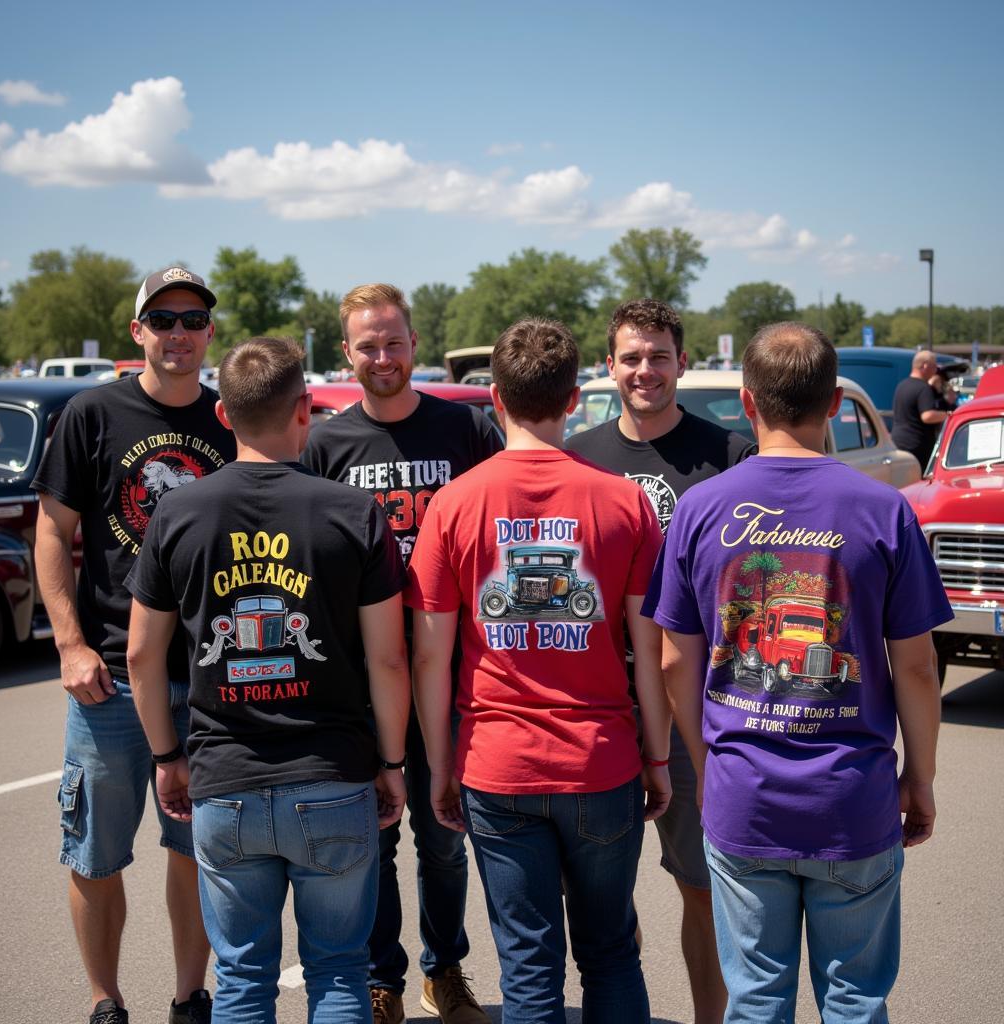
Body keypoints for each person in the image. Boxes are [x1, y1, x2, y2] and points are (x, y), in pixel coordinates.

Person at [651, 321, 951, 1023]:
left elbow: (673, 657)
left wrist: (706, 755)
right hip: (854, 797)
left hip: (742, 796)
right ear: (834, 404)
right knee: (855, 999)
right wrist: (921, 777)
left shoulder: (698, 510)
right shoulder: (883, 508)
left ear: (749, 403)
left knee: (756, 999)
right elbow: (916, 667)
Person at [125, 337, 411, 1024]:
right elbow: (389, 659)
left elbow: (140, 654)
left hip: (225, 782)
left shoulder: (178, 513)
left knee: (245, 979)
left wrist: (167, 757)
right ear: (305, 412)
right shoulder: (352, 513)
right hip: (334, 775)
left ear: (223, 416)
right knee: (340, 973)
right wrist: (394, 761)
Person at [407, 317, 672, 1024]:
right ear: (572, 397)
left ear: (494, 397)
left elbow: (430, 652)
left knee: (528, 962)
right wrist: (658, 755)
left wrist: (439, 766)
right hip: (603, 760)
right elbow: (648, 648)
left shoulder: (454, 504)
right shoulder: (625, 502)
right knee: (611, 949)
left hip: (498, 764)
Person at [33, 267, 237, 1024]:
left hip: (215, 679)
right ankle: (105, 1002)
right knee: (94, 852)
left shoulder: (230, 420)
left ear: (210, 331)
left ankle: (190, 996)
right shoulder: (93, 413)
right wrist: (69, 644)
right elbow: (53, 534)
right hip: (110, 681)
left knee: (197, 852)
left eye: (192, 319)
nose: (177, 332)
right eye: (163, 319)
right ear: (137, 331)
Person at [302, 283, 501, 1024]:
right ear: (347, 352)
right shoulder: (326, 444)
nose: (381, 356)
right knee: (374, 838)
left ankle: (443, 970)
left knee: (444, 837)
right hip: (361, 680)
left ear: (414, 342)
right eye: (366, 344)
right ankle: (381, 976)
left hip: (450, 676)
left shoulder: (467, 430)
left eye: (393, 341)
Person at [567, 298, 753, 1024]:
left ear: (682, 360)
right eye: (632, 357)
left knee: (703, 887)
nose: (646, 370)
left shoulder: (728, 455)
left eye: (660, 356)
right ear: (608, 365)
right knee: (601, 895)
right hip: (600, 705)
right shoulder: (578, 456)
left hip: (694, 708)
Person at [891, 349, 957, 470]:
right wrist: (949, 415)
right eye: (934, 366)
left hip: (898, 442)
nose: (936, 370)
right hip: (917, 446)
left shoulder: (901, 385)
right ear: (925, 365)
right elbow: (927, 416)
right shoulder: (923, 388)